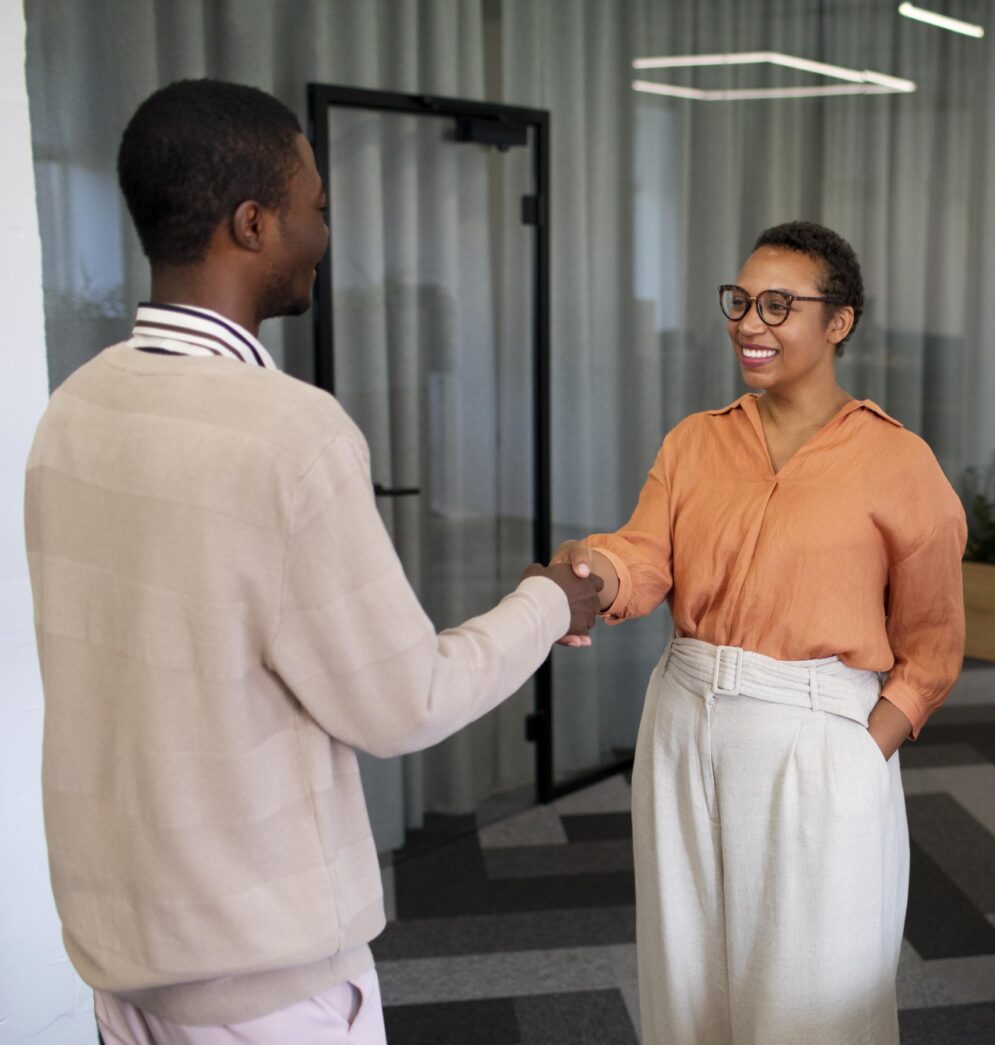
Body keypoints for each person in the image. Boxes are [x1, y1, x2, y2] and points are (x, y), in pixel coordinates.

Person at [24, 79, 601, 1044]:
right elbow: (402, 699)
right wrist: (549, 600)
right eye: (315, 206)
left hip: (120, 964)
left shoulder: (70, 411)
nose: (325, 233)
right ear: (253, 224)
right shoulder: (289, 433)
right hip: (263, 984)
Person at [552, 221, 967, 1043]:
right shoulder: (698, 439)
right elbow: (645, 553)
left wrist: (862, 746)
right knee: (686, 973)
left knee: (809, 991)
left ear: (838, 322)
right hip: (681, 712)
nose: (750, 323)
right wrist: (590, 572)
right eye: (740, 301)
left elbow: (933, 643)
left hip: (817, 732)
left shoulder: (898, 461)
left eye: (778, 305)